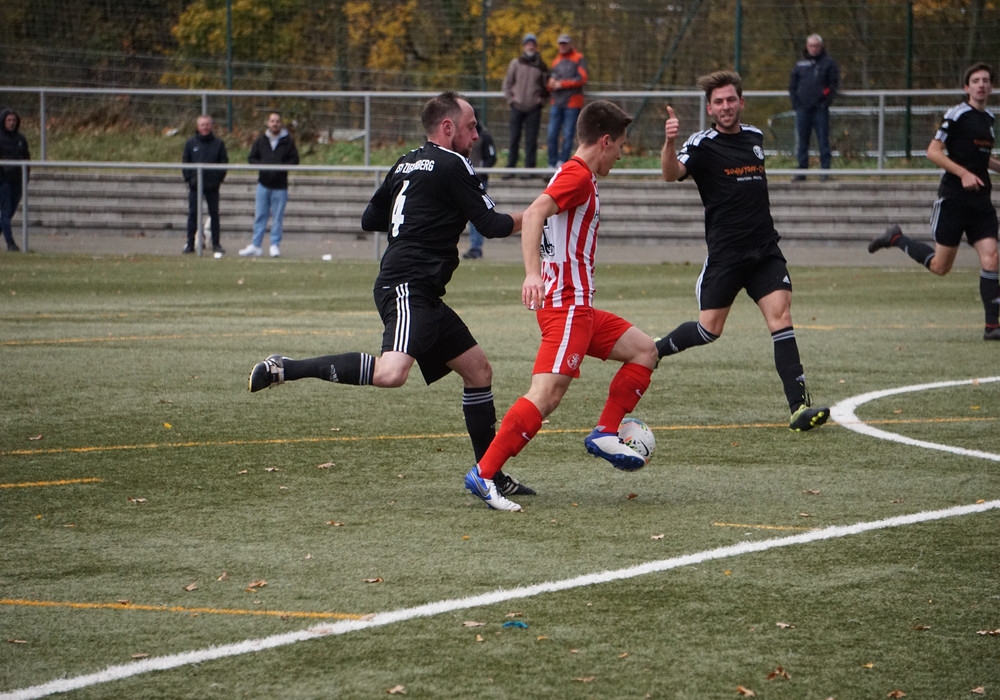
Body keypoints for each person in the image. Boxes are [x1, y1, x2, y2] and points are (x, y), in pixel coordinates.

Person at [247, 91, 535, 500]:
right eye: (471, 127)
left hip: (423, 291)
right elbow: (493, 224)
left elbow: (370, 218)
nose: (476, 135)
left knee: (478, 372)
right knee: (391, 374)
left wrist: (422, 211)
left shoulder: (404, 162)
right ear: (447, 127)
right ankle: (287, 367)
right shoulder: (453, 163)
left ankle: (490, 474)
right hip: (406, 286)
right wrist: (542, 212)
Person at [465, 100, 658, 512]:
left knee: (645, 350)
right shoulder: (578, 175)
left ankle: (605, 432)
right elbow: (536, 213)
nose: (621, 155)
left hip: (579, 306)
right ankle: (484, 473)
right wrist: (531, 274)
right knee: (546, 394)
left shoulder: (572, 174)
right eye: (620, 145)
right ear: (604, 141)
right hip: (567, 305)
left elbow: (538, 215)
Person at [653, 70, 829, 433]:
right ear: (710, 108)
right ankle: (655, 350)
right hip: (726, 256)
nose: (726, 106)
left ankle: (798, 408)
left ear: (741, 102)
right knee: (709, 330)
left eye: (731, 99)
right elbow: (671, 174)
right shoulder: (702, 144)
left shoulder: (755, 137)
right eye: (718, 102)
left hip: (764, 251)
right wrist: (669, 143)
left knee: (781, 317)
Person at [868, 62, 1000, 341]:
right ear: (967, 87)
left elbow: (980, 157)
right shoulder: (957, 114)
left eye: (986, 80)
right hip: (954, 199)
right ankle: (897, 238)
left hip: (981, 202)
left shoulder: (988, 119)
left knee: (991, 258)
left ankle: (992, 327)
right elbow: (933, 151)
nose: (981, 84)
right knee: (941, 267)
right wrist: (963, 174)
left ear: (991, 87)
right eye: (976, 80)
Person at [240, 111, 300, 258]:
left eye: (277, 121)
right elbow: (252, 158)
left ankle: (274, 245)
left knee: (277, 218)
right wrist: (264, 165)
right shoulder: (261, 140)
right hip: (263, 184)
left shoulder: (288, 141)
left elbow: (295, 160)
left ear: (281, 123)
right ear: (268, 123)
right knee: (260, 216)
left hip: (280, 186)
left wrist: (280, 167)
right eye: (272, 121)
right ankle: (256, 245)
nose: (275, 124)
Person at [788, 34, 840, 181]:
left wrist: (825, 102)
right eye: (811, 46)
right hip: (802, 109)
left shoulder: (828, 63)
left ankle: (824, 171)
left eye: (816, 46)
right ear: (807, 46)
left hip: (820, 109)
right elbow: (792, 86)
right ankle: (801, 170)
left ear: (821, 47)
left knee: (823, 141)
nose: (814, 49)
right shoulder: (800, 64)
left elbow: (833, 85)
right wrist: (796, 103)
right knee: (802, 142)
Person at [502, 33, 549, 175]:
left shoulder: (541, 65)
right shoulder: (516, 63)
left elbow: (547, 87)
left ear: (536, 46)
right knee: (514, 138)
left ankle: (530, 169)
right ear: (524, 46)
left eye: (532, 44)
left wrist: (541, 101)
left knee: (531, 140)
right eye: (528, 44)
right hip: (517, 106)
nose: (530, 46)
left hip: (534, 108)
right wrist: (511, 100)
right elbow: (507, 83)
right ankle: (511, 168)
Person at [181, 114, 228, 255]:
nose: (205, 127)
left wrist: (217, 179)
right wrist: (190, 179)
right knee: (193, 214)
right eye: (202, 125)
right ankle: (190, 244)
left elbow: (224, 163)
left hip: (212, 186)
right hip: (195, 186)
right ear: (198, 126)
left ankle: (216, 244)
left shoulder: (218, 144)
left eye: (207, 124)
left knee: (214, 214)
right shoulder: (191, 143)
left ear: (211, 126)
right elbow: (185, 163)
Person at [546, 34, 588, 168]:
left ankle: (562, 162)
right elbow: (551, 81)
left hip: (573, 102)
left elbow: (582, 78)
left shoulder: (578, 58)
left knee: (568, 134)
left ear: (570, 44)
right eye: (561, 43)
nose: (563, 46)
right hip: (556, 102)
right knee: (551, 134)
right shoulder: (556, 61)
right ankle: (552, 163)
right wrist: (550, 84)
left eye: (565, 43)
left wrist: (562, 84)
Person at [462, 117, 497, 259]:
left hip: (478, 180)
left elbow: (492, 157)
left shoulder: (484, 136)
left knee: (475, 214)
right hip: (462, 179)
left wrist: (480, 172)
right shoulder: (459, 136)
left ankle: (476, 247)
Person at [0, 108, 30, 252]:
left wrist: (26, 178)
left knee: (10, 212)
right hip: (3, 181)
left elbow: (27, 159)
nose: (12, 123)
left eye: (14, 120)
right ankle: (10, 243)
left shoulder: (21, 139)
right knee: (5, 212)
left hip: (17, 181)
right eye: (9, 120)